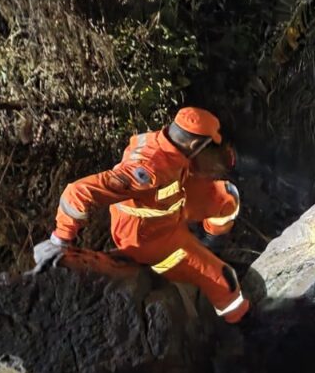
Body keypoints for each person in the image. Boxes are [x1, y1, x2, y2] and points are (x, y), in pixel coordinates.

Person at [33, 107, 250, 323]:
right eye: (208, 146)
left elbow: (189, 169)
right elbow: (78, 192)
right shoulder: (148, 170)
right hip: (151, 238)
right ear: (194, 145)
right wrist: (60, 240)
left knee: (226, 197)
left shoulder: (167, 143)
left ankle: (212, 245)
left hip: (169, 204)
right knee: (223, 280)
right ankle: (242, 322)